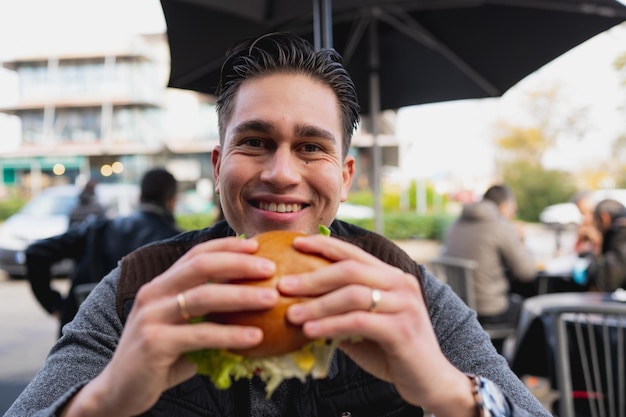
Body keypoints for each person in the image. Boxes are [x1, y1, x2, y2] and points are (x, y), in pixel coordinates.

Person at [6, 33, 550, 417]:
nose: (281, 173)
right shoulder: (138, 290)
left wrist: (454, 395)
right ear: (219, 166)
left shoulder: (405, 292)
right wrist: (102, 404)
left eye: (311, 147)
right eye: (255, 142)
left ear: (345, 175)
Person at [25, 168, 182, 337]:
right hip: (145, 341)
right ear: (172, 201)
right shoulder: (179, 243)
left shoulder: (98, 228)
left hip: (82, 337)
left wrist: (56, 305)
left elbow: (36, 252)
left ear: (140, 197)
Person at [443, 184, 537, 333]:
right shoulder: (500, 226)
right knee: (534, 312)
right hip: (488, 311)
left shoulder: (455, 224)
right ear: (504, 207)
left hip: (458, 308)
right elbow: (527, 272)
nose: (513, 215)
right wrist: (521, 240)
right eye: (513, 210)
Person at [585, 198, 626, 291]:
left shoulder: (619, 236)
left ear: (604, 218)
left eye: (596, 222)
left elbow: (606, 282)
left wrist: (598, 246)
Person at [572, 190, 602, 256]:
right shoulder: (583, 227)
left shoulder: (609, 229)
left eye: (591, 213)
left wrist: (598, 240)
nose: (586, 218)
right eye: (583, 213)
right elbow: (576, 251)